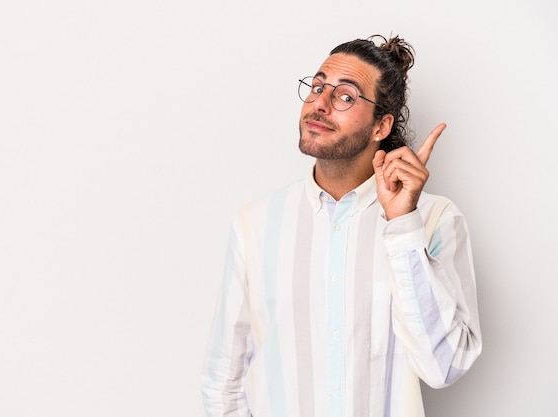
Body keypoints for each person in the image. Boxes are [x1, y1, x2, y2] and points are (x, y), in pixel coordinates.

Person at [201, 35, 482, 417]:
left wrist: (403, 225)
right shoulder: (256, 222)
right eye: (317, 87)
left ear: (380, 126)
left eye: (345, 96)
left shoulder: (434, 221)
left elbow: (444, 366)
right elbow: (224, 380)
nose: (320, 103)